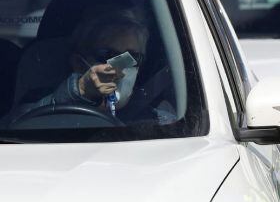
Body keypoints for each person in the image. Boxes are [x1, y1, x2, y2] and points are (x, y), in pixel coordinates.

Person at [14, 7, 172, 123]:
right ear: (78, 63)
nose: (120, 67)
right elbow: (14, 126)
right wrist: (80, 90)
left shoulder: (157, 119)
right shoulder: (38, 103)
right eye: (107, 54)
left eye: (132, 57)